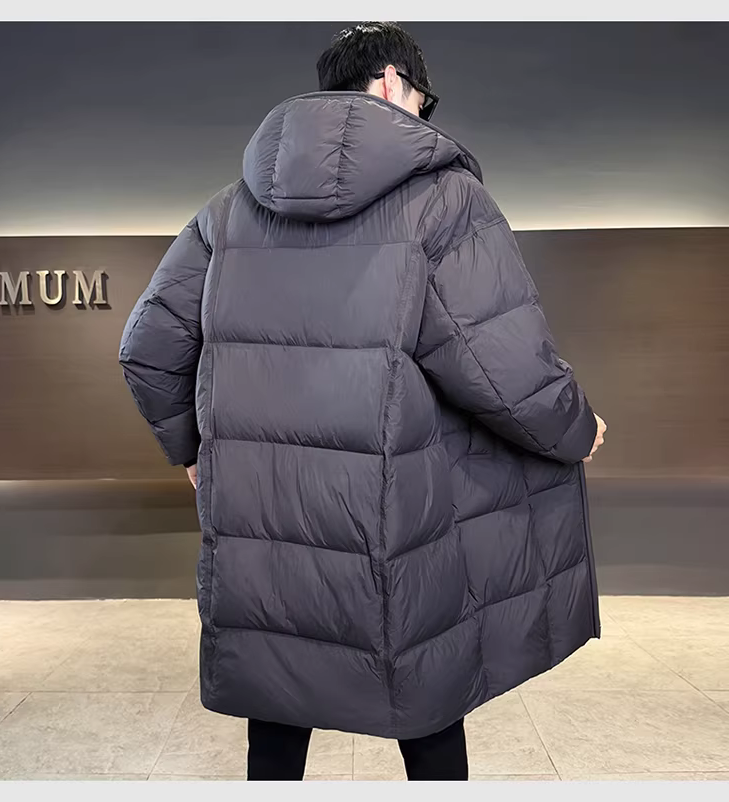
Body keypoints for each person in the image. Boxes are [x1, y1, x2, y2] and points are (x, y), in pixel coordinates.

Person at [119, 21, 607, 782]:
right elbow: (505, 367)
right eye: (423, 97)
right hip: (396, 517)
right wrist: (577, 428)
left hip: (263, 515)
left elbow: (146, 347)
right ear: (390, 82)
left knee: (277, 700)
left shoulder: (226, 213)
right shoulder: (445, 201)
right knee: (427, 702)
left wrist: (192, 448)